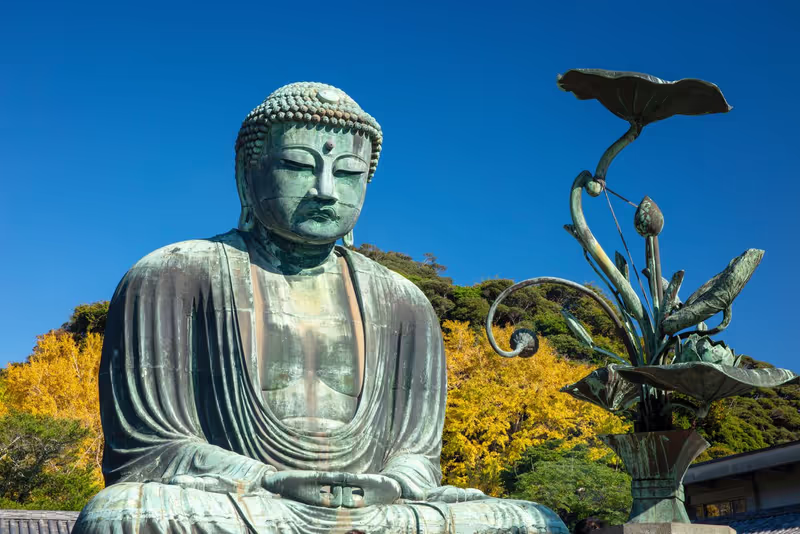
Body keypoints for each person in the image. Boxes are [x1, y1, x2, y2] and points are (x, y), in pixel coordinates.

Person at [73, 82, 568, 534]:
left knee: (533, 523)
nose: (326, 190)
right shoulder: (174, 274)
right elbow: (149, 452)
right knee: (121, 516)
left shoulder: (404, 302)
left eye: (348, 173)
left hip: (379, 510)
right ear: (249, 175)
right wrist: (269, 480)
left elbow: (416, 457)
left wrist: (393, 484)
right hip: (248, 504)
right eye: (298, 165)